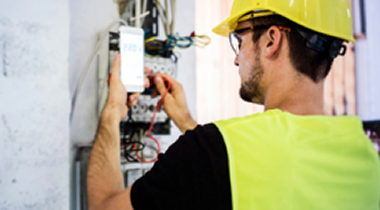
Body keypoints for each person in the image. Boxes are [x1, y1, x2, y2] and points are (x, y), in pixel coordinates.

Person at [86, 0, 380, 209]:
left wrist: (113, 111)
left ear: (270, 41)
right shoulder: (366, 157)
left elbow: (103, 207)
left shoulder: (213, 150)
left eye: (239, 40)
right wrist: (187, 123)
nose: (237, 58)